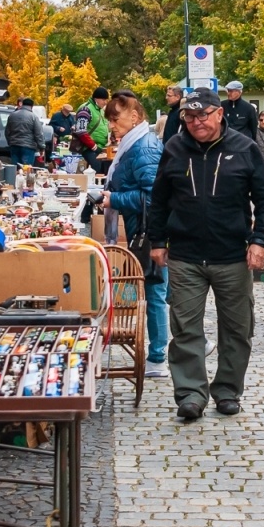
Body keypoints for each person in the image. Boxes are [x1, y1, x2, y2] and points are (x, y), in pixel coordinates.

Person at [149, 88, 264, 421]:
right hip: (185, 255)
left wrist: (260, 241)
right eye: (188, 117)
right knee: (186, 329)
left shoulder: (245, 149)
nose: (195, 123)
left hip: (232, 254)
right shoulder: (174, 149)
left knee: (237, 329)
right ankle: (191, 393)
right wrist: (157, 241)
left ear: (219, 114)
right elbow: (160, 199)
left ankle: (227, 390)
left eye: (202, 115)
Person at [101, 92, 170, 377]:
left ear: (134, 116)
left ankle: (158, 357)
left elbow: (153, 197)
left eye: (115, 119)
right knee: (153, 290)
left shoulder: (143, 147)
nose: (112, 126)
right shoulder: (136, 143)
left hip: (151, 232)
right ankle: (163, 351)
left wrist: (113, 199)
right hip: (144, 229)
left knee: (154, 292)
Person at [73, 87, 111, 172]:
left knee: (105, 171)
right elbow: (81, 131)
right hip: (89, 148)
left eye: (106, 99)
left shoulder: (100, 110)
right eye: (103, 99)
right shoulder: (85, 109)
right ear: (96, 98)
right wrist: (94, 147)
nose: (105, 102)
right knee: (97, 170)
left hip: (101, 148)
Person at [4, 97, 47, 169]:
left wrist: (10, 142)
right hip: (28, 147)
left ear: (22, 104)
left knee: (15, 168)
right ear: (32, 106)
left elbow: (7, 132)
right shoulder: (33, 117)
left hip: (14, 145)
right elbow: (39, 133)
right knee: (26, 169)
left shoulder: (12, 115)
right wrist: (42, 147)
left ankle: (15, 179)